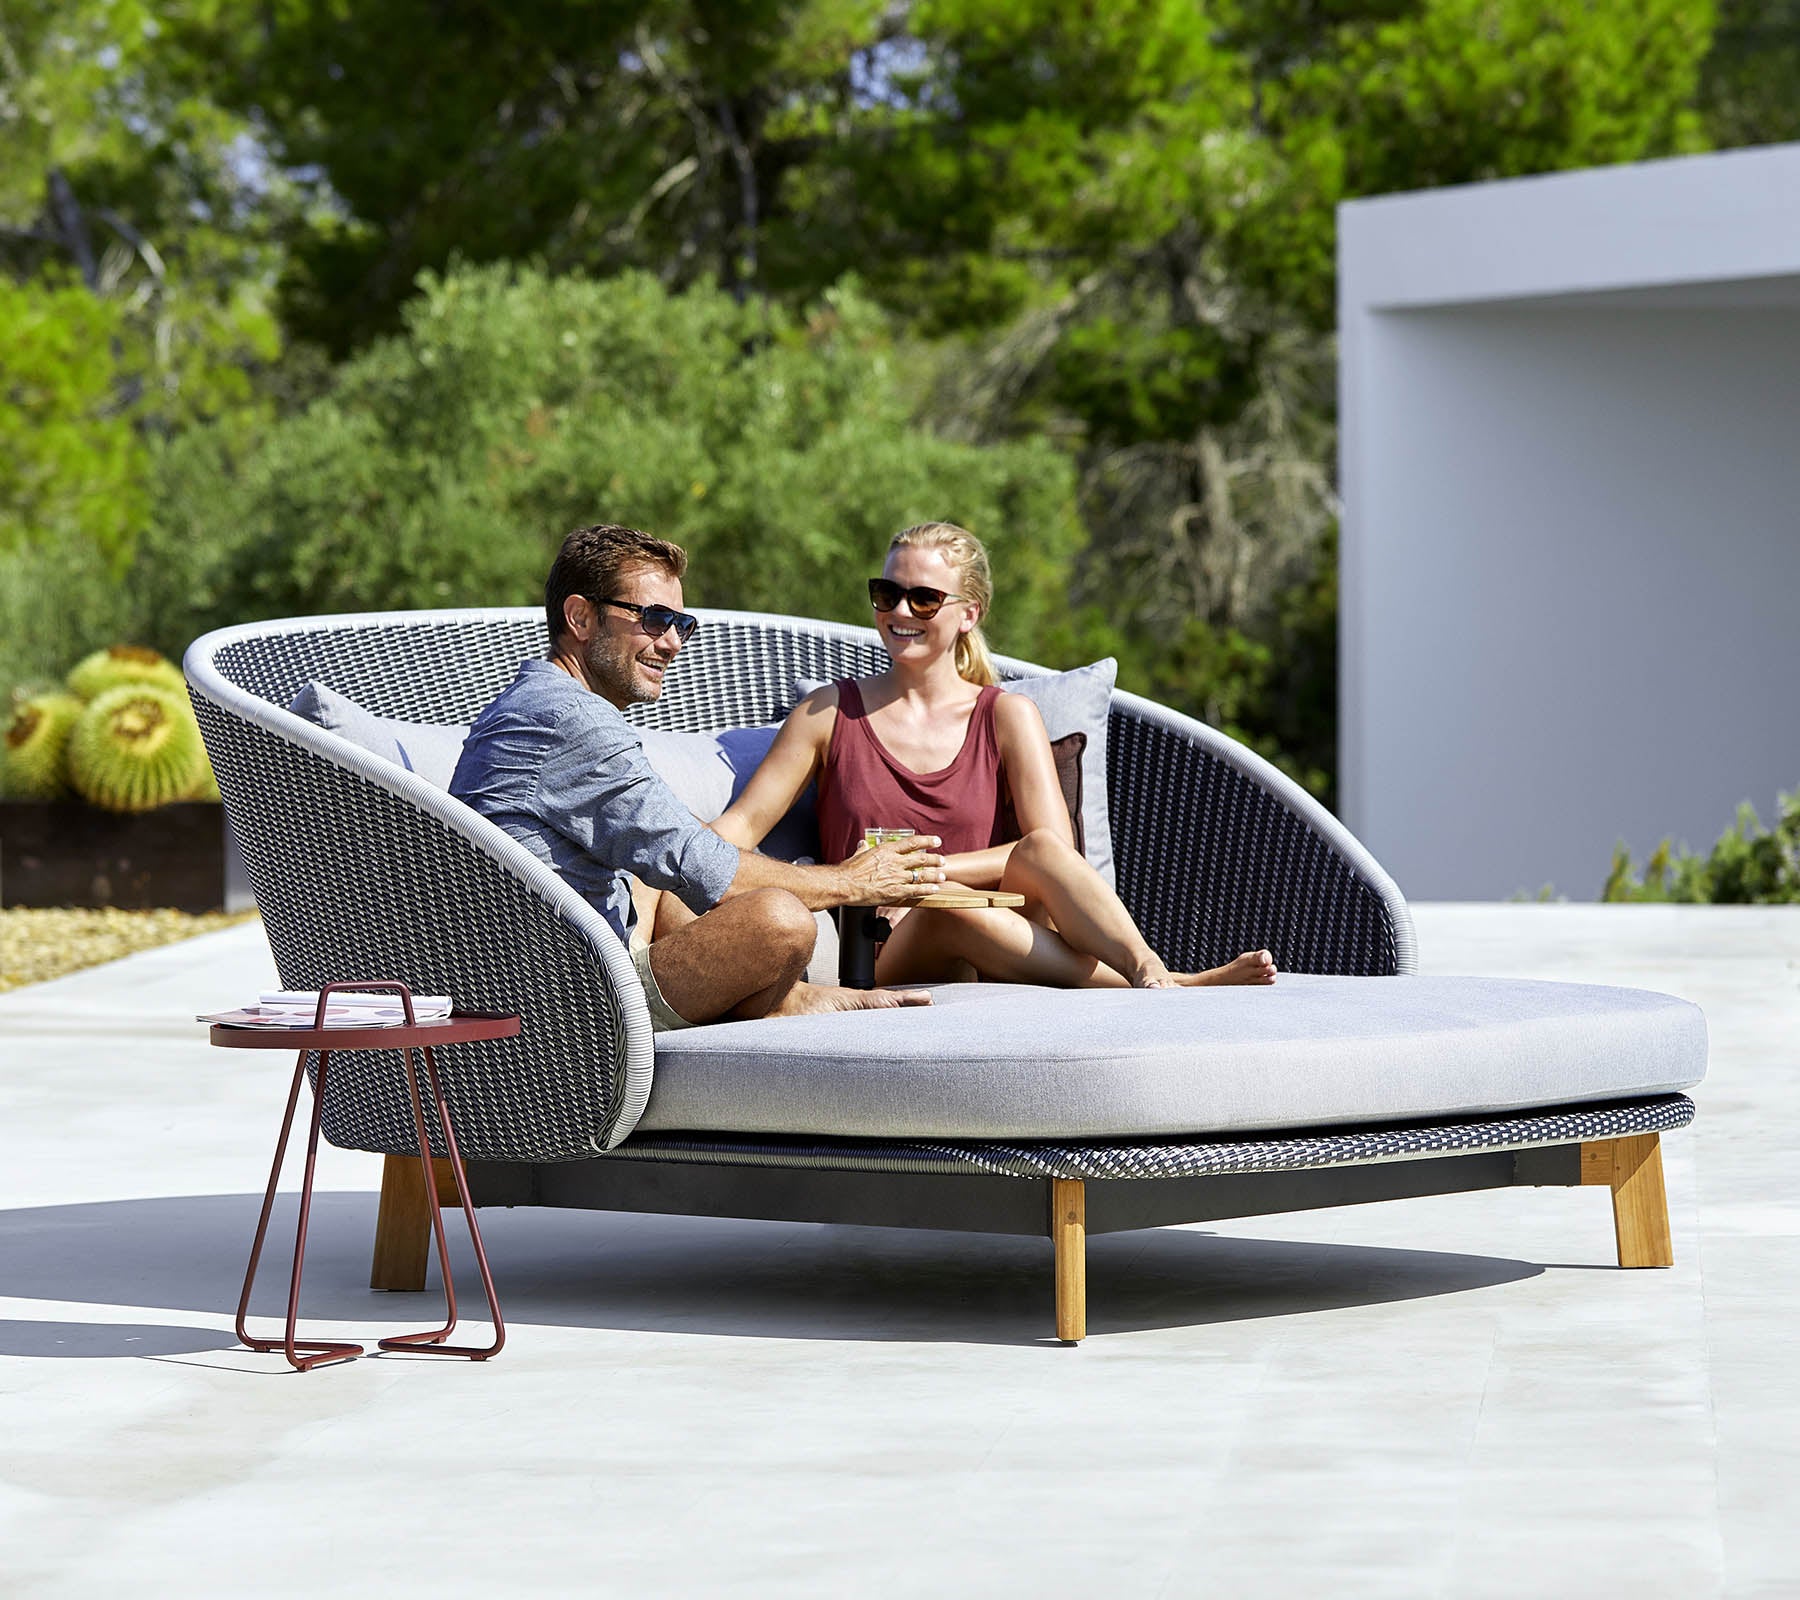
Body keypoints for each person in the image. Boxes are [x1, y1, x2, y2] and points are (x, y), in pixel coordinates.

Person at [714, 521, 1278, 991]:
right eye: (887, 594)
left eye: (924, 598)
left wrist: (926, 872)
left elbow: (1055, 854)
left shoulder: (1007, 715)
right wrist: (656, 852)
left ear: (969, 613)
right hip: (883, 947)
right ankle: (1176, 984)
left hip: (1002, 926)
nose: (900, 610)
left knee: (1037, 852)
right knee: (951, 909)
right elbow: (740, 827)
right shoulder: (830, 712)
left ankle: (1147, 965)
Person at [450, 522, 948, 1029]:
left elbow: (676, 845)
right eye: (654, 618)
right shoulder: (567, 719)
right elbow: (706, 867)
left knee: (667, 854)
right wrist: (849, 882)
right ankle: (784, 1001)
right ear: (579, 616)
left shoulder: (539, 703)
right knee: (781, 921)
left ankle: (785, 999)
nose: (671, 643)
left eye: (680, 624)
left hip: (546, 971)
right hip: (564, 1003)